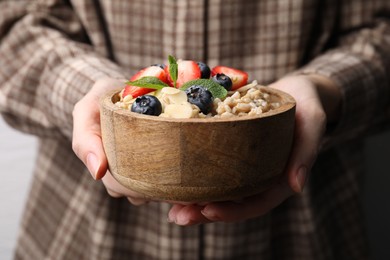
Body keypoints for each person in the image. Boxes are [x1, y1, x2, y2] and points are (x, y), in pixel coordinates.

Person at [1, 0, 389, 259]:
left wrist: (323, 87)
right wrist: (96, 94)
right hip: (85, 232)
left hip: (303, 232)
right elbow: (14, 26)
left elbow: (380, 30)